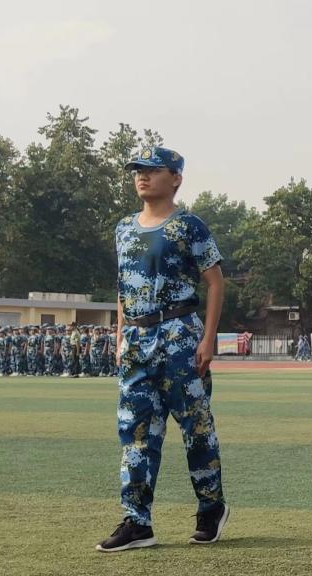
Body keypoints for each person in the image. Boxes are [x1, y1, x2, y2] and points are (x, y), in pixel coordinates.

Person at [96, 146, 228, 552]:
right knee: (135, 430)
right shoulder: (123, 228)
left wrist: (207, 339)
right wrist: (120, 334)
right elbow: (123, 288)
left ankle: (211, 508)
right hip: (137, 340)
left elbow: (215, 282)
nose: (142, 176)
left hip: (179, 333)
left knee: (196, 426)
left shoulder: (189, 225)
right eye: (137, 170)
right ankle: (137, 522)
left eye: (152, 170)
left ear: (175, 178)